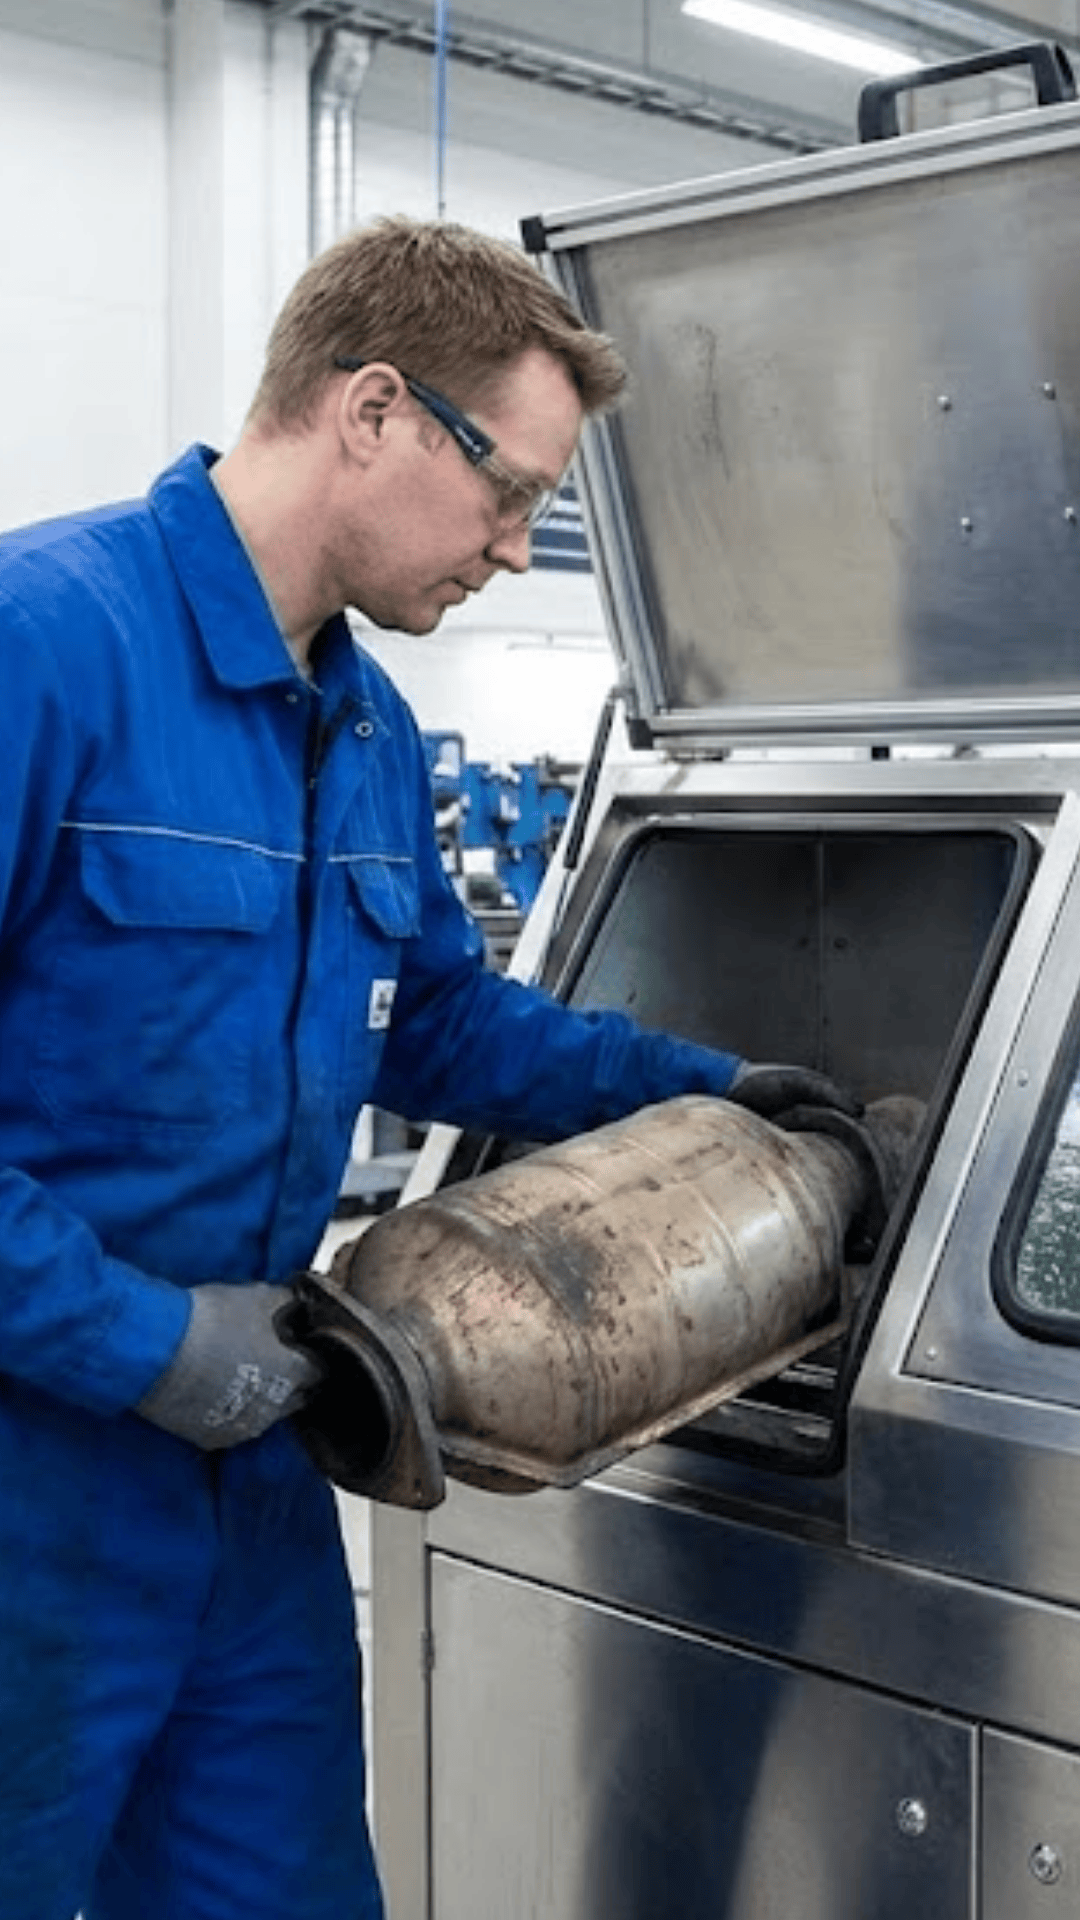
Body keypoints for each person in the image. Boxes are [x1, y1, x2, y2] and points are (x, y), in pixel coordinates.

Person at [0, 216, 853, 1920]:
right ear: (374, 410)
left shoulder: (367, 732)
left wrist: (707, 1087)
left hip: (250, 1464)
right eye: (512, 492)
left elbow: (448, 1023)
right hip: (34, 1480)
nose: (519, 550)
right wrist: (141, 1342)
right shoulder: (43, 645)